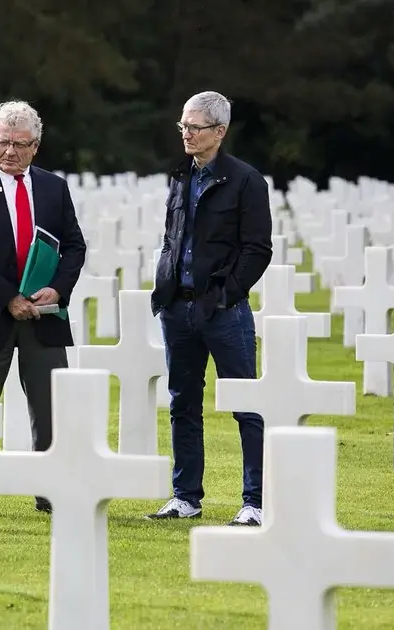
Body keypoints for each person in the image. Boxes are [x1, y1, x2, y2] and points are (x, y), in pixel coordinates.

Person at [0, 100, 86, 516]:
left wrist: (57, 291)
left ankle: (50, 490)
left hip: (44, 314)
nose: (10, 151)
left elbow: (75, 246)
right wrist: (9, 298)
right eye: (2, 142)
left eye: (20, 144)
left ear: (36, 147)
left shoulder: (53, 188)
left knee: (49, 406)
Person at [146, 91, 272, 526]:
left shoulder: (246, 181)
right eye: (182, 125)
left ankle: (255, 501)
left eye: (194, 127)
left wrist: (225, 293)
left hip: (223, 310)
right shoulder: (181, 176)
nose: (186, 133)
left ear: (219, 132)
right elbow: (172, 237)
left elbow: (257, 249)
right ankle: (186, 496)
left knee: (245, 403)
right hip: (176, 308)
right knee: (183, 401)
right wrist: (164, 280)